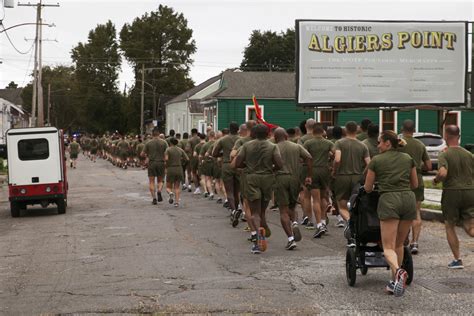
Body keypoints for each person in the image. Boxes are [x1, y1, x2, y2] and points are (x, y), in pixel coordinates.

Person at [364, 130, 418, 297]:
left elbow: (367, 187)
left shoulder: (376, 160)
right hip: (408, 200)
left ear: (387, 143)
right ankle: (394, 282)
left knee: (387, 247)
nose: (378, 145)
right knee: (399, 245)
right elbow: (415, 184)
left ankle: (398, 272)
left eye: (380, 142)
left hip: (389, 200)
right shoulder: (408, 159)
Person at [235, 124, 283, 254]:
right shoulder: (273, 146)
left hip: (251, 178)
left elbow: (237, 163)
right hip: (267, 178)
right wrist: (271, 169)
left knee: (254, 212)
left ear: (253, 134)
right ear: (267, 134)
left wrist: (248, 165)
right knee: (262, 211)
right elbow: (279, 164)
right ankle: (263, 227)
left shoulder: (246, 146)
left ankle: (257, 237)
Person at [433, 125, 474, 269]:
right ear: (459, 136)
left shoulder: (445, 153)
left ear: (445, 135)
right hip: (469, 191)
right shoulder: (469, 154)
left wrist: (436, 180)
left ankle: (457, 259)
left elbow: (443, 173)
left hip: (452, 192)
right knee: (470, 227)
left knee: (449, 225)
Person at [274, 128, 312, 250]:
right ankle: (295, 223)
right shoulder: (296, 146)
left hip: (280, 178)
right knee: (292, 206)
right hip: (295, 179)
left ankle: (290, 239)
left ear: (275, 137)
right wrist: (309, 175)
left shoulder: (274, 147)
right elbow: (309, 157)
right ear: (286, 136)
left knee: (283, 210)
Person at [399, 119, 432, 254]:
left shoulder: (400, 144)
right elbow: (429, 166)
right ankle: (415, 242)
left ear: (402, 129)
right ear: (414, 130)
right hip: (417, 180)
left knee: (402, 212)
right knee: (416, 212)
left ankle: (403, 239)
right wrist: (418, 168)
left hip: (402, 180)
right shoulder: (420, 145)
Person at [333, 121, 370, 232]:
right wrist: (363, 173)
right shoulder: (363, 145)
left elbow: (337, 159)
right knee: (355, 203)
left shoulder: (339, 143)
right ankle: (356, 224)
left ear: (346, 130)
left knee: (342, 205)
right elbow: (369, 163)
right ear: (356, 130)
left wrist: (335, 170)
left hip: (342, 176)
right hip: (357, 177)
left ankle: (349, 222)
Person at [303, 123, 335, 238]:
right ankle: (323, 220)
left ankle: (319, 225)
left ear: (313, 132)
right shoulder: (328, 143)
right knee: (324, 197)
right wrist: (330, 161)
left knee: (315, 199)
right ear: (323, 132)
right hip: (325, 170)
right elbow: (335, 154)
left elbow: (305, 157)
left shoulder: (308, 143)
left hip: (313, 170)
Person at [212, 122, 241, 223]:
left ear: (229, 129)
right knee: (237, 191)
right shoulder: (241, 139)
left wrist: (223, 154)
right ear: (238, 129)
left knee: (229, 191)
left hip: (227, 164)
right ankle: (237, 209)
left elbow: (214, 153)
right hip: (238, 165)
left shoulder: (223, 140)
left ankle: (233, 210)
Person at [298, 118, 316, 229]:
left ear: (305, 126)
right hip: (319, 168)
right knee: (319, 196)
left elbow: (300, 155)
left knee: (306, 195)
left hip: (305, 168)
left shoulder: (302, 140)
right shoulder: (320, 138)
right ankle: (322, 220)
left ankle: (308, 218)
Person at [143, 127, 168, 205]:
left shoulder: (148, 143)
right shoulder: (164, 143)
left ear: (152, 134)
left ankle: (154, 198)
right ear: (159, 133)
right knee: (160, 180)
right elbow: (167, 154)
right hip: (161, 163)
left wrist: (148, 155)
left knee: (151, 181)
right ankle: (159, 191)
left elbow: (142, 153)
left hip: (152, 163)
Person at [165, 137, 189, 207]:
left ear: (170, 142)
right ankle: (177, 202)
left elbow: (166, 159)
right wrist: (182, 163)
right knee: (177, 187)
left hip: (171, 168)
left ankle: (170, 193)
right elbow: (187, 159)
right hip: (179, 168)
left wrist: (167, 165)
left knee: (168, 186)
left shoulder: (168, 150)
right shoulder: (180, 150)